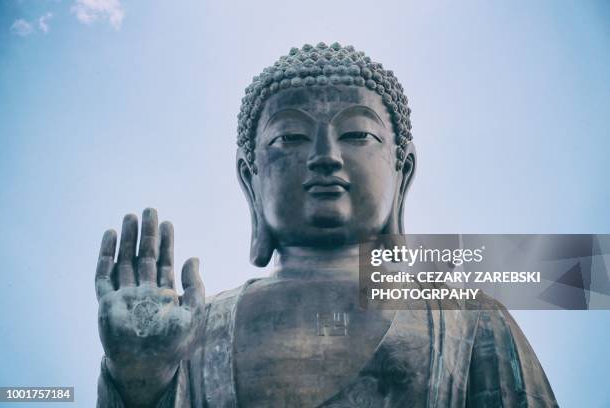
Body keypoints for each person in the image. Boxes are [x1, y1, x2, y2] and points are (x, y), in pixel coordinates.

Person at [95, 43, 558, 407]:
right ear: (249, 177)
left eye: (357, 134)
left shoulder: (469, 318)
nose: (324, 157)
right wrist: (139, 381)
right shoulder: (194, 330)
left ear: (403, 171)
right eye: (289, 137)